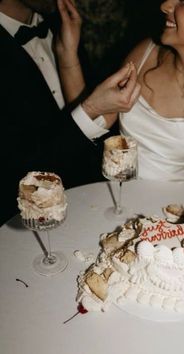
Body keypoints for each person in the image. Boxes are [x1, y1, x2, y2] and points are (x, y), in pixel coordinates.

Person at [58, 0, 184, 199]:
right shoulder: (145, 54)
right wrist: (67, 54)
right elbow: (95, 120)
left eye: (183, 0)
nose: (165, 5)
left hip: (179, 213)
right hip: (118, 197)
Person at [0, 0, 140, 225]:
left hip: (88, 204)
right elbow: (14, 171)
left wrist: (69, 59)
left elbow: (86, 141)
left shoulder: (61, 26)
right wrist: (91, 109)